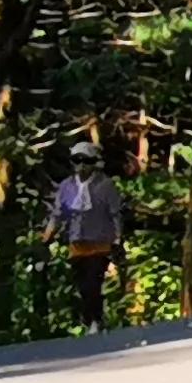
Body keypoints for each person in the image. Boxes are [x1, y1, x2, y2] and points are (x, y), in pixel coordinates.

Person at [48, 133, 130, 329]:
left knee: (93, 280)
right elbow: (57, 214)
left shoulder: (105, 185)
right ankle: (92, 317)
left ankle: (94, 320)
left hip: (100, 243)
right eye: (77, 161)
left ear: (94, 162)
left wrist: (118, 239)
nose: (81, 165)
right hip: (77, 243)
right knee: (82, 285)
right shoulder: (66, 186)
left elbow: (115, 214)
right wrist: (47, 236)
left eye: (86, 161)